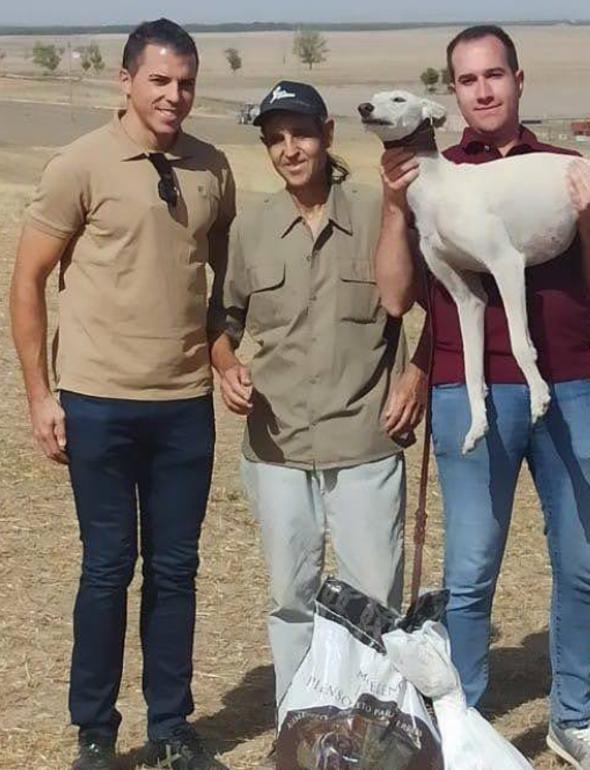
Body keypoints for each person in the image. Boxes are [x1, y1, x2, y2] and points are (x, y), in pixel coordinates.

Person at [372, 24, 590, 770]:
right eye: (467, 79)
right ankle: (465, 725)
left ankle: (574, 719)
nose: (482, 91)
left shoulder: (566, 170)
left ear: (519, 79)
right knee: (470, 571)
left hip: (570, 385)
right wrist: (392, 206)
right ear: (450, 94)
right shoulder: (431, 177)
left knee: (582, 564)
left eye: (494, 75)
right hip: (471, 391)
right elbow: (397, 297)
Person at [9, 19, 233, 770]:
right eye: (159, 80)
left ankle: (170, 727)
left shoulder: (212, 167)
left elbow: (222, 282)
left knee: (176, 568)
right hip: (98, 401)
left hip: (184, 405)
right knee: (107, 567)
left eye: (186, 82)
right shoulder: (81, 164)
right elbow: (28, 279)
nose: (174, 95)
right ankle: (96, 733)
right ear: (126, 80)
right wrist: (40, 395)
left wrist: (223, 356)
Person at [210, 81, 425, 725]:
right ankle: (298, 725)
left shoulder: (382, 212)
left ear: (327, 134)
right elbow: (223, 319)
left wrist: (417, 373)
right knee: (290, 597)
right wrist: (226, 365)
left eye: (301, 134)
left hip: (364, 440)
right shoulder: (251, 228)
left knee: (372, 600)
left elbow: (439, 303)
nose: (290, 149)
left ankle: (370, 727)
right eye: (276, 139)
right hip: (277, 447)